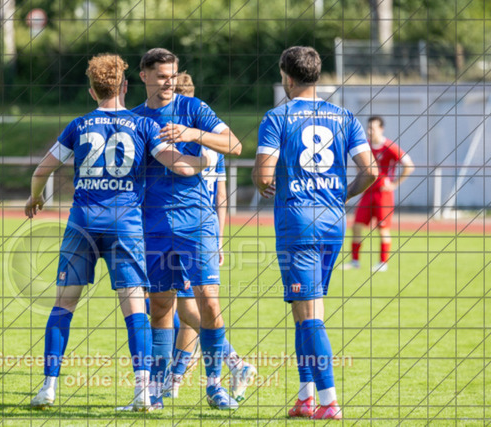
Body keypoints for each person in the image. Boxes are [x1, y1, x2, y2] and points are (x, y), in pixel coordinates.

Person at [25, 53, 214, 411]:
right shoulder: (143, 125)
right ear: (125, 86)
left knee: (63, 305)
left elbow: (41, 171)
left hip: (83, 223)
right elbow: (179, 166)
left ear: (92, 91)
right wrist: (206, 160)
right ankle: (143, 391)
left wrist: (35, 198)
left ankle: (48, 386)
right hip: (124, 224)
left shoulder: (78, 125)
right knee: (135, 310)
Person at [253, 46, 378, 419]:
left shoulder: (277, 117)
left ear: (287, 77)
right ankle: (306, 397)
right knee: (305, 309)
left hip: (298, 223)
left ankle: (329, 402)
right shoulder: (344, 117)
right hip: (332, 222)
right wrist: (342, 195)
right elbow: (370, 171)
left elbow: (263, 174)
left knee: (309, 315)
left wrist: (262, 182)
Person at [132, 48, 242, 410]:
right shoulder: (135, 119)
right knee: (161, 306)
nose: (169, 83)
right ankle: (156, 390)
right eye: (161, 76)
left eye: (173, 76)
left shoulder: (193, 108)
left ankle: (215, 385)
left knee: (208, 300)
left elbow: (234, 144)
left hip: (196, 220)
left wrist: (193, 133)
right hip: (153, 223)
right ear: (144, 76)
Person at [161, 72, 257, 403]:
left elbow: (218, 194)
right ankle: (174, 379)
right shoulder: (206, 140)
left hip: (188, 229)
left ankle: (234, 364)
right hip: (195, 230)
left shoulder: (190, 142)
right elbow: (222, 196)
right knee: (185, 307)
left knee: (184, 307)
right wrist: (219, 238)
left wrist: (217, 239)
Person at [347, 116, 415, 272]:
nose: (369, 131)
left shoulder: (389, 147)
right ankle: (355, 262)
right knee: (356, 226)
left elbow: (409, 165)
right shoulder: (366, 146)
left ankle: (383, 263)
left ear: (381, 129)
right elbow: (359, 165)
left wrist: (394, 184)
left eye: (373, 128)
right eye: (368, 128)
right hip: (367, 193)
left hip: (383, 195)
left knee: (383, 229)